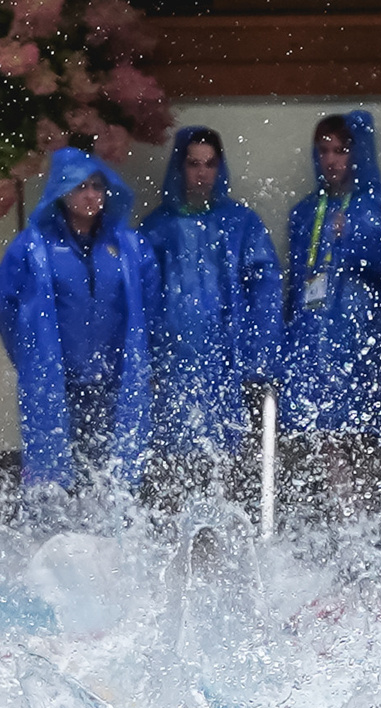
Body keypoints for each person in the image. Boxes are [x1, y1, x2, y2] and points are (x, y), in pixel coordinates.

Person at [0, 148, 156, 495]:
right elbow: (6, 307)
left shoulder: (130, 247)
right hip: (57, 381)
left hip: (114, 382)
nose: (91, 196)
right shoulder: (32, 248)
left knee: (112, 472)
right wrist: (29, 360)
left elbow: (149, 307)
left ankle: (115, 540)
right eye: (81, 187)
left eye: (97, 186)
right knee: (54, 472)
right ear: (62, 191)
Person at [279, 112, 381, 518]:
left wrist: (357, 238)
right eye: (323, 151)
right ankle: (349, 520)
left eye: (341, 150)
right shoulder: (305, 212)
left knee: (365, 436)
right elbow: (298, 280)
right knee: (328, 436)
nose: (332, 160)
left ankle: (367, 521)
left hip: (367, 339)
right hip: (317, 341)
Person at [139, 127, 282, 474]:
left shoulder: (241, 223)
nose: (201, 173)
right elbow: (142, 300)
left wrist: (257, 356)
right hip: (173, 360)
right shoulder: (157, 228)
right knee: (173, 457)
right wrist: (148, 358)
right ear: (179, 167)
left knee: (225, 457)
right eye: (193, 163)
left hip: (225, 360)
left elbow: (265, 292)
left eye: (210, 164)